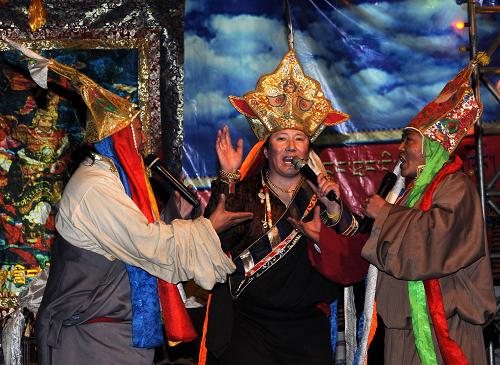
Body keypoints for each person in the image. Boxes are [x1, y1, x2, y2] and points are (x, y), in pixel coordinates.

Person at [5, 44, 254, 365]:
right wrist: (208, 228)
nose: (141, 144)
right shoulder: (94, 188)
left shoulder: (112, 185)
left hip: (115, 337)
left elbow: (139, 240)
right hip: (90, 341)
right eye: (134, 135)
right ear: (117, 140)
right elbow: (147, 245)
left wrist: (175, 216)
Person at [200, 49, 368, 365]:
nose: (291, 146)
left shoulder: (321, 196)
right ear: (266, 149)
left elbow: (357, 250)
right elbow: (212, 242)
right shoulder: (247, 192)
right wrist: (226, 178)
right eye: (281, 138)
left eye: (299, 139)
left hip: (306, 332)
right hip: (250, 330)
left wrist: (334, 212)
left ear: (309, 147)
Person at [361, 58, 496, 364]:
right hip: (401, 335)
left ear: (431, 147)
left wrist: (385, 215)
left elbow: (433, 242)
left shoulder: (456, 188)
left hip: (446, 332)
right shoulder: (405, 194)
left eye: (408, 140)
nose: (400, 149)